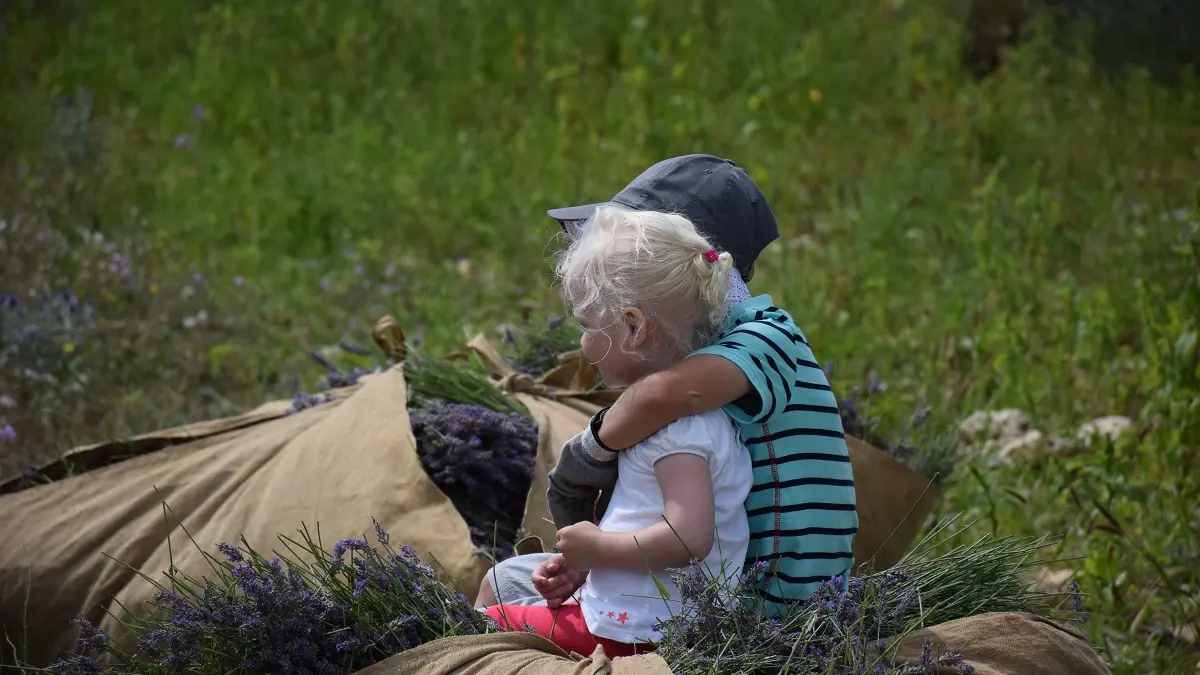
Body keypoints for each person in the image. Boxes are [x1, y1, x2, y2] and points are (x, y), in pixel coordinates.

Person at [476, 154, 858, 621]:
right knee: (508, 578)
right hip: (715, 589)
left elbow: (665, 397)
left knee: (500, 588)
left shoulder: (768, 334)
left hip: (771, 610)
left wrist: (590, 451)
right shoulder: (710, 353)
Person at [477, 206, 754, 657]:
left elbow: (688, 537)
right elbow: (647, 526)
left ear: (632, 326)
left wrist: (599, 548)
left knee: (478, 627)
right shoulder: (687, 418)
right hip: (643, 619)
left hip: (633, 632)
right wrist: (583, 568)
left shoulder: (678, 429)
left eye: (587, 325)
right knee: (500, 592)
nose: (583, 344)